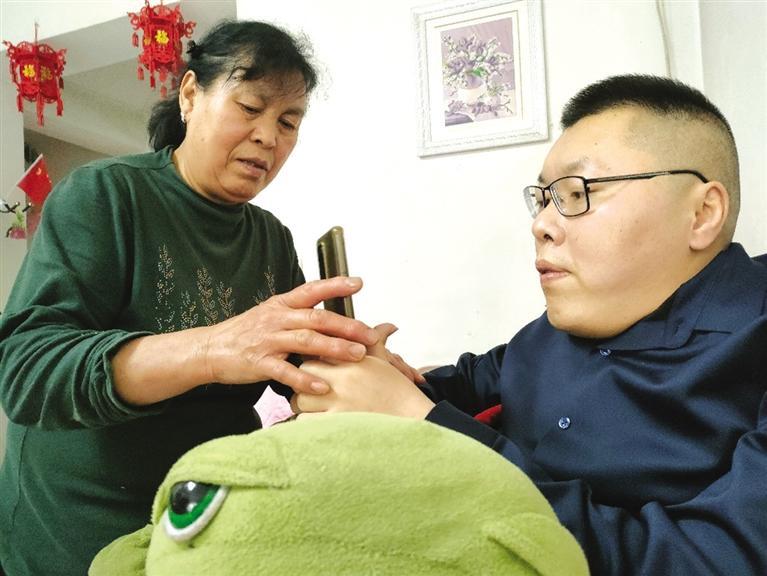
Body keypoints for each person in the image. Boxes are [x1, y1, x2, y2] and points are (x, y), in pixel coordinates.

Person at [292, 74, 767, 575]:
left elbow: (711, 560)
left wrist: (426, 429)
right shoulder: (568, 323)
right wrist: (381, 378)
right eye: (542, 199)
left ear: (702, 213)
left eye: (578, 193)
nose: (541, 224)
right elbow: (471, 381)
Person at [0, 20, 414, 576]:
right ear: (191, 95)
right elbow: (26, 372)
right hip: (80, 535)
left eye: (288, 122)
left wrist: (351, 362)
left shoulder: (271, 237)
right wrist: (213, 349)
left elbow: (285, 362)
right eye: (250, 107)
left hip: (203, 524)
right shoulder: (106, 195)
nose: (268, 137)